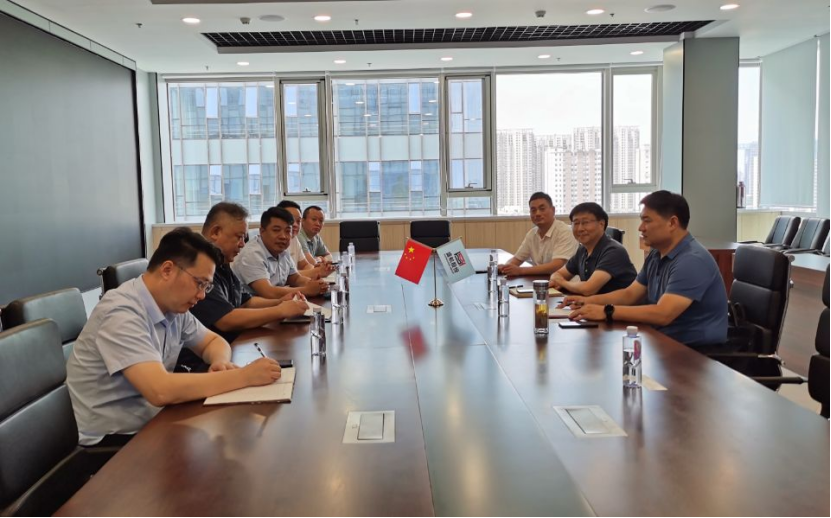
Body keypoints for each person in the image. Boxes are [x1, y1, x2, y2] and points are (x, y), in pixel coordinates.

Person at [66, 227, 283, 446]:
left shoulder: (172, 306)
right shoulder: (121, 312)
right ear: (167, 270)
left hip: (153, 420)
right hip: (113, 440)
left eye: (207, 287)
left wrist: (220, 362)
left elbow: (213, 341)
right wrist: (243, 376)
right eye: (199, 283)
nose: (201, 295)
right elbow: (160, 390)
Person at [563, 191, 728, 348]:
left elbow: (663, 314)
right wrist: (587, 301)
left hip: (694, 352)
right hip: (661, 340)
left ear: (672, 223)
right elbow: (630, 295)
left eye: (647, 221)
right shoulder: (657, 253)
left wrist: (607, 311)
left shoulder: (692, 260)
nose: (641, 228)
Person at [191, 202, 308, 343]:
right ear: (215, 232)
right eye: (239, 237)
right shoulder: (198, 267)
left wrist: (280, 302)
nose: (242, 244)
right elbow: (226, 320)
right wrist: (280, 311)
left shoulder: (222, 264)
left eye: (244, 238)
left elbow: (246, 302)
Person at [233, 206, 329, 299]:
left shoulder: (282, 250)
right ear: (262, 231)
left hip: (278, 304)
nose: (283, 236)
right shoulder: (252, 254)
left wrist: (314, 284)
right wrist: (307, 290)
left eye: (287, 231)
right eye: (276, 230)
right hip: (253, 307)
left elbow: (295, 278)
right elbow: (268, 292)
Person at [549, 202, 637, 296]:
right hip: (594, 302)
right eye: (576, 223)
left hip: (619, 304)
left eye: (585, 222)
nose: (580, 228)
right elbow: (557, 274)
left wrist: (562, 282)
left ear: (601, 224)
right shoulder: (582, 250)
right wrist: (559, 279)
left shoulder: (614, 251)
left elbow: (588, 289)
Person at [499, 192, 578, 277]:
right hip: (542, 281)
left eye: (542, 209)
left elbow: (556, 266)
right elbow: (517, 259)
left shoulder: (565, 232)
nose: (537, 214)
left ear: (553, 210)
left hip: (566, 282)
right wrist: (505, 267)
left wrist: (520, 270)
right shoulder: (532, 234)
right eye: (533, 210)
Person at [276, 200, 336, 280]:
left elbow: (305, 265)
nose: (295, 224)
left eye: (298, 221)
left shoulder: (294, 239)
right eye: (290, 219)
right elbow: (285, 275)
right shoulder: (271, 243)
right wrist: (316, 271)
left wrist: (315, 271)